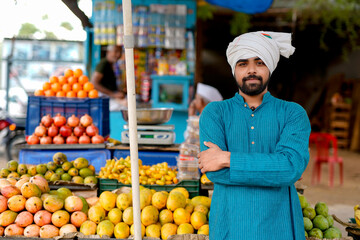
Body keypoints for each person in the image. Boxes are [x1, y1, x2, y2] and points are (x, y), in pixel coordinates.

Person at [198, 31, 311, 240]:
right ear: (234, 69)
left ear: (270, 65)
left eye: (259, 62)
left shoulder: (293, 113)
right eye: (243, 63)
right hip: (229, 226)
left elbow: (290, 168)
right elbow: (214, 173)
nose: (251, 70)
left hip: (280, 228)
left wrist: (227, 158)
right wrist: (275, 168)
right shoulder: (215, 113)